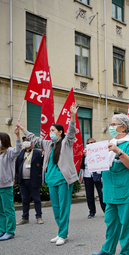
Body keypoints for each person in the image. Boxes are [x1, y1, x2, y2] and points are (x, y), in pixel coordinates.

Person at [16, 102, 79, 246]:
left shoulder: (66, 142)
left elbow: (71, 131)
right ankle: (61, 232)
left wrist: (73, 115)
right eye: (50, 130)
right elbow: (33, 138)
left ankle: (63, 234)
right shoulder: (48, 144)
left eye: (53, 130)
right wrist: (22, 128)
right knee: (56, 208)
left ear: (60, 132)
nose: (50, 132)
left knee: (64, 207)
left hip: (63, 180)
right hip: (51, 180)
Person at [92, 113, 129, 255]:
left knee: (126, 223)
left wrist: (118, 152)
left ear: (123, 127)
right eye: (111, 124)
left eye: (114, 124)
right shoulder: (111, 142)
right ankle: (108, 249)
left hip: (126, 190)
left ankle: (126, 253)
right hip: (111, 190)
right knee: (111, 221)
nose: (111, 127)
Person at [15, 136, 44, 225]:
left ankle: (39, 216)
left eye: (27, 140)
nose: (25, 142)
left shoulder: (38, 153)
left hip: (34, 180)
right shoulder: (21, 153)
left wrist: (44, 154)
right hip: (23, 180)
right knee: (24, 199)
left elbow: (43, 164)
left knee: (36, 199)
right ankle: (25, 217)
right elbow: (16, 165)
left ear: (32, 142)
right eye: (24, 141)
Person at [81, 138, 106, 219]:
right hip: (88, 175)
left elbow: (103, 165)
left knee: (101, 194)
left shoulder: (99, 153)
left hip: (97, 175)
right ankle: (92, 211)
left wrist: (102, 176)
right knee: (89, 194)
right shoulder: (85, 154)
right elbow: (82, 166)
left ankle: (105, 210)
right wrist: (84, 156)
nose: (89, 144)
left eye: (91, 142)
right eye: (88, 143)